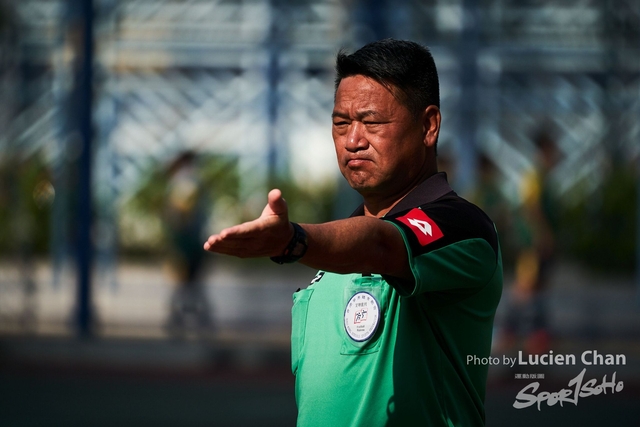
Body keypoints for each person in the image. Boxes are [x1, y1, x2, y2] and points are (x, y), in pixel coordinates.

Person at [204, 39, 502, 426]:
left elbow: (381, 243)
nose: (352, 141)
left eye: (372, 122)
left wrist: (292, 240)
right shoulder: (334, 252)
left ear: (429, 126)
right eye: (341, 123)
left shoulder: (461, 227)